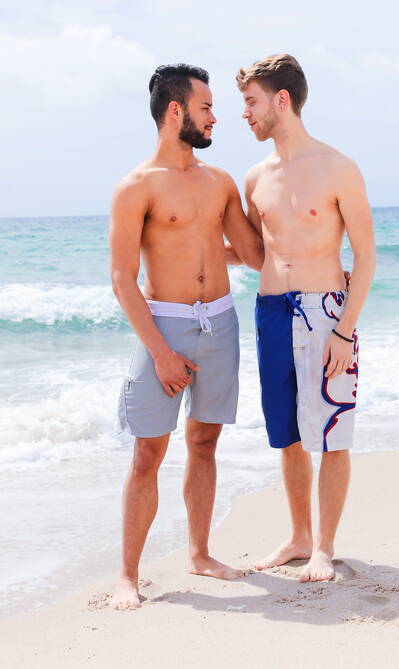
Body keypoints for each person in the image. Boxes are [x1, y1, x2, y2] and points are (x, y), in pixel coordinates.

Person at [109, 63, 264, 609]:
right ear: (176, 111)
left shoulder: (219, 181)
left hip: (220, 321)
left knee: (204, 442)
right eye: (206, 107)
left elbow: (253, 254)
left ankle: (199, 553)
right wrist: (160, 353)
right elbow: (122, 279)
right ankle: (127, 575)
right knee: (147, 453)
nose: (215, 117)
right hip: (165, 326)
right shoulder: (136, 186)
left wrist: (315, 255)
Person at [235, 54, 376, 582]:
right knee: (287, 432)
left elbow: (366, 257)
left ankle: (323, 547)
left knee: (332, 432)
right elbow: (257, 254)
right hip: (271, 311)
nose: (245, 114)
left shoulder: (338, 167)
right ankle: (298, 536)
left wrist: (344, 330)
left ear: (281, 100)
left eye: (251, 102)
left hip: (326, 312)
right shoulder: (256, 177)